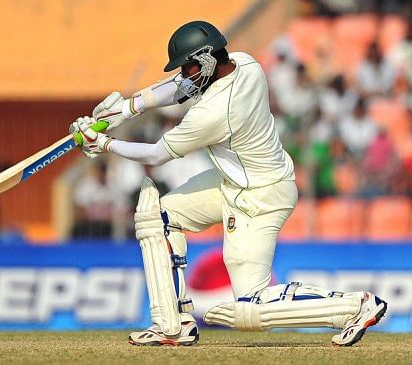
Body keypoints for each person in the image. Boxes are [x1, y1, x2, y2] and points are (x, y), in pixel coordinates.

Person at [70, 20, 387, 347]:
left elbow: (157, 154)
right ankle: (171, 325)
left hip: (260, 197)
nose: (186, 74)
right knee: (158, 217)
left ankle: (355, 306)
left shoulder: (214, 112)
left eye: (190, 66)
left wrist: (104, 144)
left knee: (253, 306)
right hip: (235, 180)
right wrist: (126, 108)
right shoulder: (246, 63)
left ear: (207, 60)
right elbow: (179, 86)